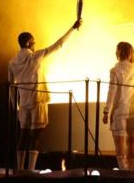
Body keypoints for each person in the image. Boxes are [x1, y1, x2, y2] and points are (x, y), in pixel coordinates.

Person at [8, 19, 82, 170]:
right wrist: (73, 28)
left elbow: (10, 86)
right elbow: (59, 45)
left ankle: (20, 169)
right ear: (29, 43)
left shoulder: (12, 62)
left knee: (23, 134)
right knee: (36, 134)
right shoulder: (36, 56)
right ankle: (30, 169)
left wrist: (15, 105)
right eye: (33, 42)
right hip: (37, 101)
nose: (35, 45)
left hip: (23, 104)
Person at [103, 27, 134, 170]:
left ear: (118, 53)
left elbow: (111, 91)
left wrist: (106, 111)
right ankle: (129, 170)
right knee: (131, 141)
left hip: (119, 111)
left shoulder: (115, 70)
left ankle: (123, 170)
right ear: (131, 53)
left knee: (119, 143)